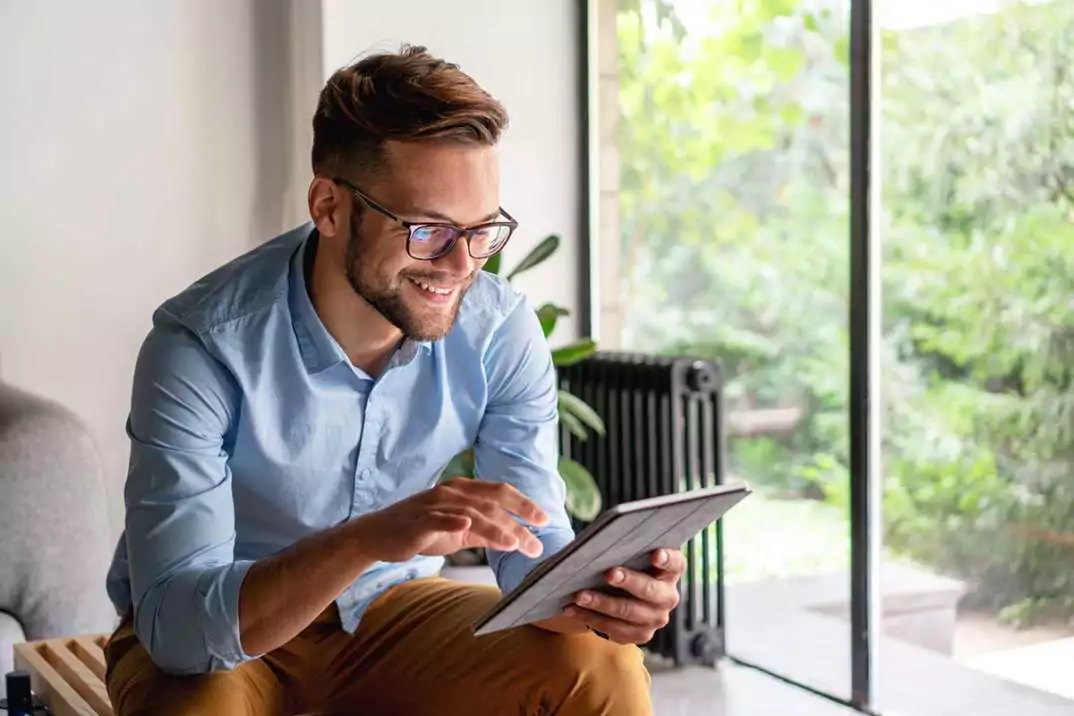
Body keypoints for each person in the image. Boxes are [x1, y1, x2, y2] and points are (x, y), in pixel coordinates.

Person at [102, 44, 684, 716]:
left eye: (481, 231)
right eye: (428, 229)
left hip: (392, 613)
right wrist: (369, 537)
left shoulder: (498, 330)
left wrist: (600, 596)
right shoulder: (200, 348)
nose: (462, 264)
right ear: (328, 206)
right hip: (231, 622)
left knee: (601, 664)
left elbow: (532, 551)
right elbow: (178, 631)